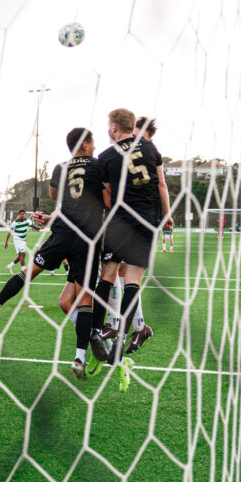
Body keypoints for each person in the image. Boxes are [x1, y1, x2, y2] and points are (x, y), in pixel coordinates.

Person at [0, 128, 109, 380]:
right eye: (92, 143)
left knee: (30, 272)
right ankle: (79, 358)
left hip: (62, 232)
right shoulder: (99, 165)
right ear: (85, 145)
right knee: (85, 298)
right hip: (87, 238)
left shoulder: (61, 168)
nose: (94, 147)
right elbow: (107, 200)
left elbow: (54, 196)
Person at [90, 109, 172, 366]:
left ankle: (95, 329)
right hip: (147, 220)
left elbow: (106, 196)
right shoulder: (150, 148)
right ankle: (122, 335)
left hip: (120, 221)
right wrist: (166, 216)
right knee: (133, 280)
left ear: (114, 127)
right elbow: (161, 185)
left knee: (108, 274)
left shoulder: (105, 156)